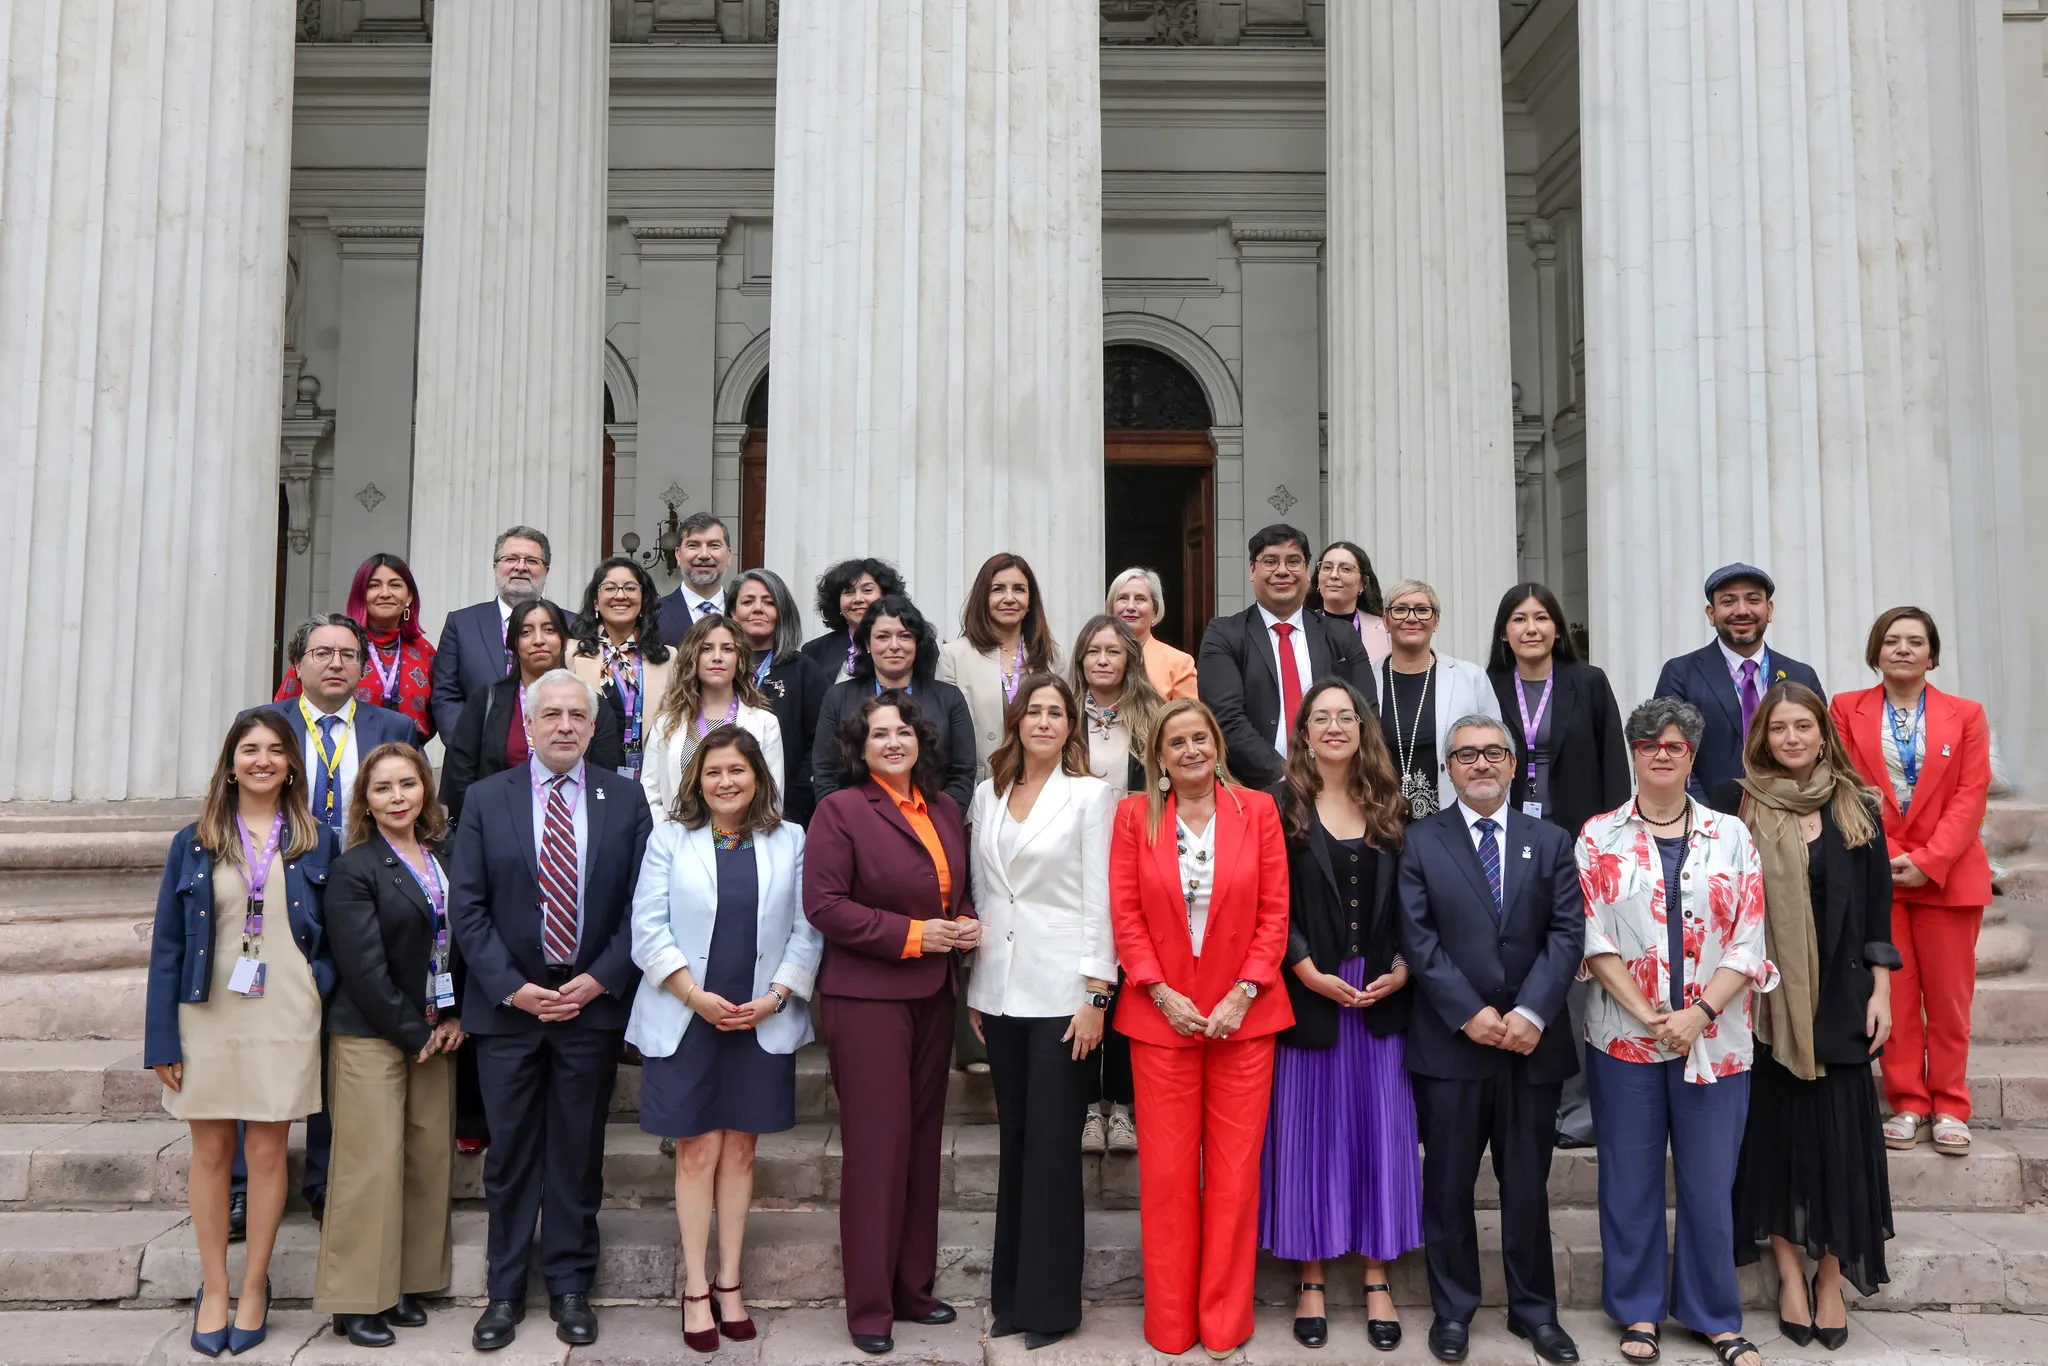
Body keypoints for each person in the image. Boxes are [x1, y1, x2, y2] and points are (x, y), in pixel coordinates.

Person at [447, 669, 653, 1352]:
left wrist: (599, 980)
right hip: (509, 1010)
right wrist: (511, 987)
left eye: (577, 716)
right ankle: (504, 1290)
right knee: (509, 1156)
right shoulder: (484, 798)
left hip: (588, 1007)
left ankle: (569, 1284)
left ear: (595, 728)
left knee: (575, 1152)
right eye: (551, 714)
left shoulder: (624, 800)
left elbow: (640, 908)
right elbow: (467, 908)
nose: (564, 725)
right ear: (529, 725)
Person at [1577, 699, 1777, 1366]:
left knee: (1708, 1183)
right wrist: (1650, 1016)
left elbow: (1750, 938)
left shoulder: (1732, 835)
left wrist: (1700, 1015)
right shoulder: (1597, 835)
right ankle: (1638, 1313)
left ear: (1692, 756)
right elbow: (1593, 937)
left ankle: (1714, 1316)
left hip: (1715, 1043)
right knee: (1628, 1183)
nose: (1661, 753)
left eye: (1675, 745)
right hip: (1623, 1041)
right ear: (1633, 753)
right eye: (1648, 744)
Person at [627, 726, 822, 1352]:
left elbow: (807, 930)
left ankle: (731, 1282)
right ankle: (693, 1287)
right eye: (713, 772)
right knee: (696, 1152)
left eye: (737, 770)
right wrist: (694, 996)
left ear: (758, 776)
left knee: (741, 1150)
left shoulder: (790, 839)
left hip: (759, 1017)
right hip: (689, 1016)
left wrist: (777, 997)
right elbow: (647, 928)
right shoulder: (668, 840)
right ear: (696, 781)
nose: (726, 782)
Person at [146, 712, 334, 1358]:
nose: (262, 760)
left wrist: (320, 983)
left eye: (275, 751)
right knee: (210, 1149)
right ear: (230, 764)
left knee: (267, 1152)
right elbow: (168, 945)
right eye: (249, 750)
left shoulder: (316, 839)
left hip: (285, 1008)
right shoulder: (193, 843)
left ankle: (255, 1284)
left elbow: (335, 929)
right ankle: (216, 1287)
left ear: (290, 766)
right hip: (207, 1009)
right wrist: (160, 1040)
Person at [1109, 698, 1293, 1358]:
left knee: (1236, 1176)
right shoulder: (1134, 818)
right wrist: (1159, 992)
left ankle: (1222, 1321)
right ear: (1158, 757)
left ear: (1218, 745)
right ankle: (1169, 1323)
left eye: (1200, 738)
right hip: (1163, 1020)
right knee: (1165, 1178)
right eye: (1176, 741)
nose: (1190, 750)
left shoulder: (1259, 812)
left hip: (1244, 1018)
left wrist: (1244, 993)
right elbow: (1126, 914)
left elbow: (1275, 913)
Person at [1395, 715, 1581, 1366]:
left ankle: (1536, 1312)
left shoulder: (1551, 841)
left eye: (1493, 753)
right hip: (1452, 1045)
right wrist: (1468, 1011)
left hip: (1531, 1047)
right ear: (1448, 769)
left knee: (1526, 1186)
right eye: (1466, 755)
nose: (1480, 764)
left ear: (1513, 764)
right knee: (1447, 1186)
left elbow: (1566, 934)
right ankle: (1453, 1311)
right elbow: (1417, 939)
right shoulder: (1420, 842)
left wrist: (1531, 1011)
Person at [804, 692, 981, 1354]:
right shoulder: (840, 810)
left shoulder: (943, 810)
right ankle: (870, 1307)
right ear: (860, 746)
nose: (893, 741)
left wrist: (963, 920)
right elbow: (824, 905)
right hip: (868, 998)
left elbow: (953, 889)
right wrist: (914, 935)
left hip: (935, 994)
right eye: (878, 734)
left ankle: (914, 1288)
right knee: (877, 1152)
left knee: (920, 1148)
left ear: (921, 740)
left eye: (903, 730)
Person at [1724, 683, 1897, 1352]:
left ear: (1824, 735)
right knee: (1773, 1142)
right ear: (1762, 738)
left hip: (1844, 998)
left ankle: (1831, 1279)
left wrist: (1881, 992)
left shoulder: (1860, 809)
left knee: (1840, 1144)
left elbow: (1879, 910)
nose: (1791, 738)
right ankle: (1790, 1275)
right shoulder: (1740, 808)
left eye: (1803, 726)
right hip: (1766, 1004)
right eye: (1779, 729)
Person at [1262, 678, 1421, 1353]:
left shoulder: (1393, 805)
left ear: (1363, 728)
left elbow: (1419, 898)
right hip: (1309, 990)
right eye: (1320, 717)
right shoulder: (1279, 806)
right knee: (1308, 1136)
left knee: (1379, 1132)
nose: (1334, 726)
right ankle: (1311, 1275)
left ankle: (1379, 1274)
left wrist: (1408, 967)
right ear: (1303, 731)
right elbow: (1269, 899)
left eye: (1345, 716)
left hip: (1380, 993)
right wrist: (1303, 969)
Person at [966, 676, 1117, 1349]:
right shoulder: (986, 794)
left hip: (1063, 996)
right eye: (1036, 710)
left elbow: (1099, 900)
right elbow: (982, 895)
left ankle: (1052, 1308)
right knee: (1016, 1145)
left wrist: (1095, 996)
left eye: (1059, 712)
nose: (1047, 721)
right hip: (998, 993)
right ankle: (1010, 1297)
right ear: (1017, 720)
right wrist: (976, 987)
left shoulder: (1090, 796)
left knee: (1055, 1149)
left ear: (1070, 726)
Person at [1830, 607, 1992, 1158]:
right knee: (1891, 993)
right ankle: (1907, 1102)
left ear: (1932, 654)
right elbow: (1845, 782)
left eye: (1915, 641)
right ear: (1876, 650)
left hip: (1949, 878)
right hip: (1879, 874)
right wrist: (1892, 856)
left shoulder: (1965, 714)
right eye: (1892, 640)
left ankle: (1949, 1103)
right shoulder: (1846, 709)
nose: (1903, 649)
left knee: (1948, 999)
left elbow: (1972, 795)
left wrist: (1932, 858)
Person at [316, 743, 463, 1347]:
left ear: (424, 790)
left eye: (408, 784)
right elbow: (362, 966)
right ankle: (354, 1301)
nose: (398, 796)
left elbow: (460, 943)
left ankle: (405, 1282)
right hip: (372, 1033)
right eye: (383, 788)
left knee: (427, 1159)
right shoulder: (356, 867)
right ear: (366, 801)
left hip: (435, 1029)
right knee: (368, 1166)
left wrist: (454, 1018)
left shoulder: (442, 858)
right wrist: (414, 1031)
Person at [1486, 582, 1629, 1148]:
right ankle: (1518, 1105)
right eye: (1519, 619)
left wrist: (1614, 842)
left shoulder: (1588, 683)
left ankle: (1577, 1110)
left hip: (1576, 843)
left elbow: (1614, 768)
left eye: (1542, 617)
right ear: (1504, 631)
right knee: (1514, 960)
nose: (1531, 628)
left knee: (1575, 970)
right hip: (1505, 843)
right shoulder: (1488, 685)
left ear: (1558, 627)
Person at [1067, 614, 1163, 1151]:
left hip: (1137, 860)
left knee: (1127, 986)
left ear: (1130, 658)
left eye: (1113, 651)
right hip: (1075, 865)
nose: (1103, 660)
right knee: (1084, 982)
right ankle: (1086, 1106)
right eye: (1093, 651)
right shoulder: (1060, 714)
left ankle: (1122, 1107)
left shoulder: (1152, 716)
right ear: (1081, 660)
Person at [1197, 524, 1374, 793]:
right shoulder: (1224, 634)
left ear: (1306, 571)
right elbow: (1225, 718)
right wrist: (1288, 778)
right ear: (1252, 570)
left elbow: (1366, 711)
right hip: (1253, 793)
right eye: (1270, 561)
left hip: (1337, 789)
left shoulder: (1342, 636)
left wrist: (1332, 777)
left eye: (1293, 561)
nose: (1282, 571)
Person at [442, 599, 625, 828]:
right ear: (514, 643)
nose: (539, 640)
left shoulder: (591, 705)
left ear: (564, 639)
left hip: (574, 831)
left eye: (549, 630)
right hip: (497, 830)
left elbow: (605, 778)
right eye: (526, 632)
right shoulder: (485, 701)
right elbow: (460, 780)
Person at [1653, 563, 1824, 801]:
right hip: (1710, 821)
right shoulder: (1681, 674)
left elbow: (1823, 753)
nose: (1742, 610)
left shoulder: (1802, 676)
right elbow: (1669, 752)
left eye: (1753, 600)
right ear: (1711, 614)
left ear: (1769, 610)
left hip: (1795, 814)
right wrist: (1707, 821)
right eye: (1728, 601)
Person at [263, 615, 422, 842]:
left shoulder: (394, 728)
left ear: (361, 669)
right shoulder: (264, 723)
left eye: (348, 655)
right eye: (322, 653)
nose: (336, 664)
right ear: (297, 666)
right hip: (281, 861)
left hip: (366, 865)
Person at [811, 595, 977, 812]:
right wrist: (849, 823)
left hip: (930, 825)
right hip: (857, 827)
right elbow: (825, 773)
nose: (894, 646)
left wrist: (933, 822)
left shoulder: (949, 698)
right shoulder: (838, 697)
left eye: (905, 636)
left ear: (917, 643)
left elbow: (962, 773)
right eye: (883, 636)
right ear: (867, 644)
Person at [275, 553, 438, 741]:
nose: (385, 593)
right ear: (361, 595)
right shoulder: (333, 644)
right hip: (339, 756)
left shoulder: (425, 652)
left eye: (395, 585)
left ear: (409, 596)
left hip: (408, 761)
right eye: (374, 585)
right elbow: (283, 711)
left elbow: (437, 714)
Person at [1376, 579, 1502, 820]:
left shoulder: (1470, 678)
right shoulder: (1366, 680)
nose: (1411, 618)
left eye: (1423, 610)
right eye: (1400, 609)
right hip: (1381, 820)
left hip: (1454, 817)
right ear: (1385, 621)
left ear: (1436, 621)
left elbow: (1495, 750)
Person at [643, 616, 784, 817]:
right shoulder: (665, 723)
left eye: (727, 649)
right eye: (706, 648)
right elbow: (650, 795)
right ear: (693, 656)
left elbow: (772, 798)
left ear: (740, 659)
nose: (717, 657)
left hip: (742, 840)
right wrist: (671, 838)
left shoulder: (765, 723)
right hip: (678, 841)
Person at [938, 552, 1061, 780]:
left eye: (1019, 589)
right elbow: (944, 737)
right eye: (998, 589)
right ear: (983, 597)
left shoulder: (1052, 657)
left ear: (1030, 599)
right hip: (979, 788)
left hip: (1042, 783)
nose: (1009, 598)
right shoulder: (954, 656)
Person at [727, 568, 829, 823]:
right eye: (748, 601)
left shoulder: (804, 669)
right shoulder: (718, 665)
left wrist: (797, 793)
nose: (758, 609)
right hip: (722, 794)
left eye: (769, 602)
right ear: (732, 613)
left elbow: (820, 739)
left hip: (788, 805)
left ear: (781, 612)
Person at [430, 525, 550, 742]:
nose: (521, 567)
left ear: (546, 571)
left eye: (532, 561)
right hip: (477, 762)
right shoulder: (461, 624)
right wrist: (470, 747)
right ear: (496, 567)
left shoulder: (571, 625)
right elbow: (446, 696)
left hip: (552, 757)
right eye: (511, 559)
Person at [569, 556, 675, 782]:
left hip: (652, 781)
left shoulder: (668, 658)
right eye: (610, 588)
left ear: (643, 600)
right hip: (589, 777)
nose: (620, 595)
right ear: (596, 602)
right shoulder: (572, 654)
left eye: (630, 588)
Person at [801, 557, 906, 684]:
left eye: (867, 590)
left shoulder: (912, 645)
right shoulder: (815, 651)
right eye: (849, 592)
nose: (858, 599)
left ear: (886, 596)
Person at [1108, 566, 1199, 701]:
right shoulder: (1095, 656)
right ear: (1111, 607)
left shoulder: (1179, 662)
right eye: (1123, 598)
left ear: (1155, 611)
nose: (1131, 607)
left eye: (1140, 599)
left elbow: (1187, 719)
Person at [656, 512, 736, 645]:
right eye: (693, 545)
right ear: (678, 555)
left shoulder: (743, 614)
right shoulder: (654, 614)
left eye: (714, 545)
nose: (704, 555)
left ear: (729, 556)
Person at [1308, 540, 1392, 665]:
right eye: (1327, 567)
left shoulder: (1385, 631)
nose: (1334, 575)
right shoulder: (1300, 627)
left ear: (1363, 584)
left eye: (1346, 569)